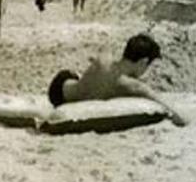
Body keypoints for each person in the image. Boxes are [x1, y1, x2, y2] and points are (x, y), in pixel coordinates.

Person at [47, 33, 188, 126]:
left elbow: (100, 56)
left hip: (59, 89)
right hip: (66, 83)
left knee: (81, 78)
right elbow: (170, 111)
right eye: (148, 66)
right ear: (143, 62)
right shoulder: (132, 86)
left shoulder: (105, 56)